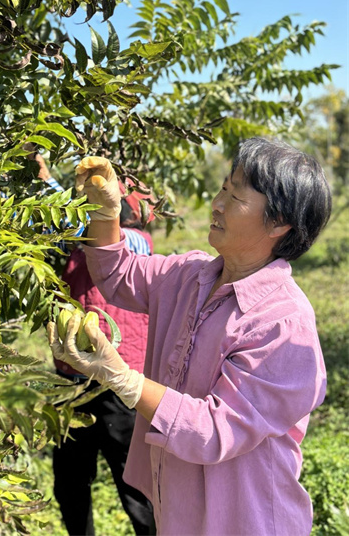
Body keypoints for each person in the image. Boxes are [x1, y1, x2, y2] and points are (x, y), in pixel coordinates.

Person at [48, 137, 332, 536]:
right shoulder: (189, 276)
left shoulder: (283, 323)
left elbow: (216, 431)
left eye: (235, 198)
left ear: (278, 223)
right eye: (223, 188)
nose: (217, 204)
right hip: (178, 512)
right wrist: (105, 212)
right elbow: (118, 276)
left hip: (246, 522)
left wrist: (122, 378)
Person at [30, 152, 155, 535]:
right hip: (71, 382)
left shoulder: (136, 243)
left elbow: (87, 228)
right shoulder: (70, 246)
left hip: (121, 384)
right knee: (70, 483)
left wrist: (45, 180)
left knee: (137, 488)